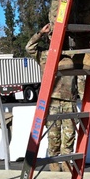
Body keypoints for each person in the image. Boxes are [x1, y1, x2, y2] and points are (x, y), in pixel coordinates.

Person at [25, 23, 79, 170]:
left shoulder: (72, 54)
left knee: (69, 134)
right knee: (53, 135)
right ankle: (54, 163)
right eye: (52, 37)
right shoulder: (44, 54)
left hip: (69, 100)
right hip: (52, 100)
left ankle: (67, 161)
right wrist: (40, 33)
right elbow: (29, 48)